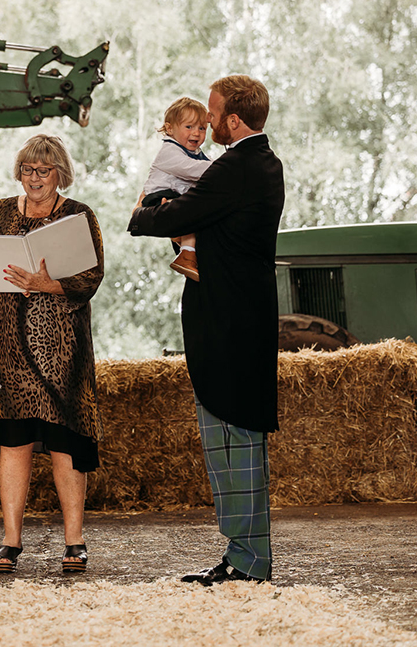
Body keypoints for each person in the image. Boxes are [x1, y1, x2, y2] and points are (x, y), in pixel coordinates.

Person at [127, 74, 284, 585]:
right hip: (244, 318)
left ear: (234, 119)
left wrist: (145, 209)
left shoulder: (235, 167)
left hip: (227, 323)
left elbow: (159, 217)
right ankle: (246, 556)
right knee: (239, 433)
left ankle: (247, 560)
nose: (209, 122)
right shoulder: (262, 163)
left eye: (214, 114)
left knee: (231, 433)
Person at [0, 134, 105, 575]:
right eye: (27, 169)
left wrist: (48, 285)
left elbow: (92, 274)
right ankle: (10, 543)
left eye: (44, 170)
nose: (34, 178)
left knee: (64, 443)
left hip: (60, 352)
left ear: (60, 172)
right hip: (5, 349)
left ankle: (75, 543)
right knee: (13, 441)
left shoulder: (79, 215)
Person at [138, 97, 213, 282]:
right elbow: (195, 170)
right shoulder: (169, 152)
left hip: (173, 197)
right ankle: (186, 253)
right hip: (157, 197)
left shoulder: (196, 153)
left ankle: (186, 252)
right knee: (190, 207)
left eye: (202, 128)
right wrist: (228, 166)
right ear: (170, 129)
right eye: (189, 127)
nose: (196, 133)